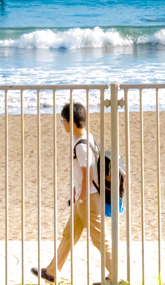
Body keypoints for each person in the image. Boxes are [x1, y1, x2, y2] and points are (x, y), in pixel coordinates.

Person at [32, 103, 114, 284]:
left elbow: (88, 173)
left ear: (72, 122)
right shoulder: (87, 137)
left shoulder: (81, 146)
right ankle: (52, 271)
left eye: (64, 120)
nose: (63, 124)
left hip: (89, 199)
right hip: (84, 198)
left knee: (100, 239)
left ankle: (117, 276)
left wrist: (82, 198)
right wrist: (77, 194)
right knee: (69, 235)